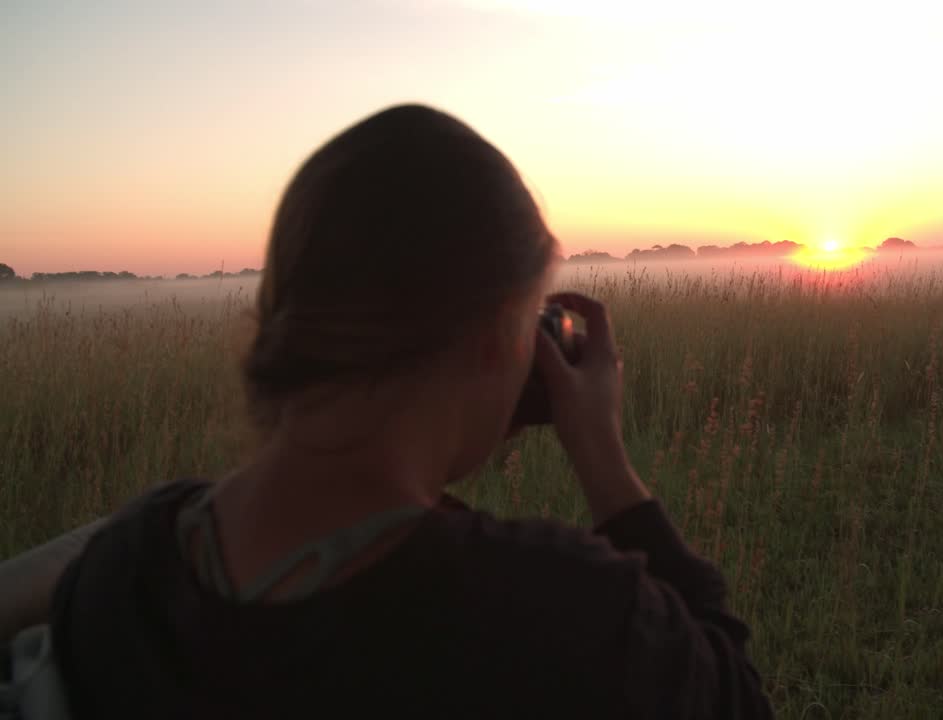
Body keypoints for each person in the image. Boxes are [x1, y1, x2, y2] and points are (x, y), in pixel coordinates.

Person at [44, 104, 773, 719]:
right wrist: (603, 456)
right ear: (494, 336)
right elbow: (734, 699)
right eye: (529, 321)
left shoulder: (123, 563)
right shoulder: (553, 606)